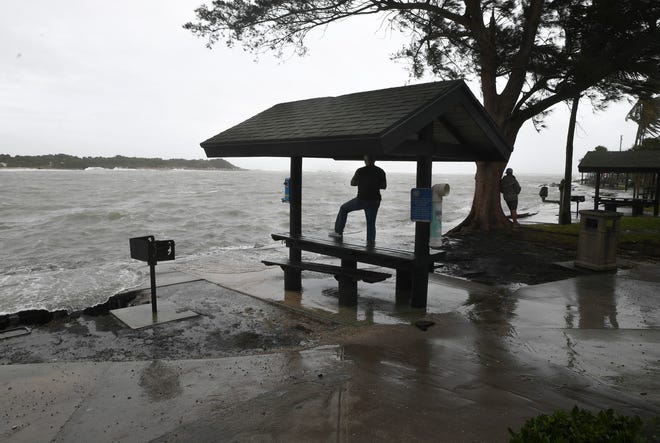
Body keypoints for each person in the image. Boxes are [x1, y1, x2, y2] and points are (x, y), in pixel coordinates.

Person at [329, 155, 386, 246]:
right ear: (375, 160)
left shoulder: (360, 171)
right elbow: (384, 186)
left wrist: (362, 182)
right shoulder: (381, 171)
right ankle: (370, 243)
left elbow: (352, 183)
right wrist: (374, 184)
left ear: (365, 160)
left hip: (362, 199)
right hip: (375, 200)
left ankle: (338, 232)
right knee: (371, 223)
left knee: (344, 208)